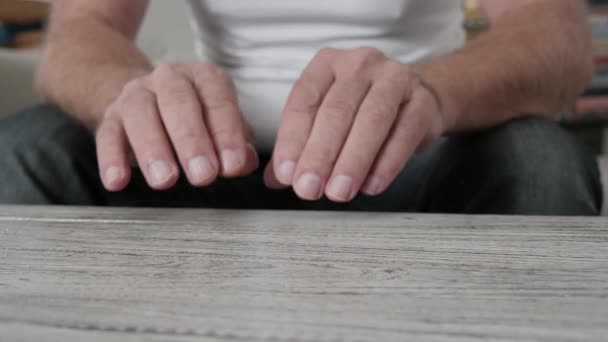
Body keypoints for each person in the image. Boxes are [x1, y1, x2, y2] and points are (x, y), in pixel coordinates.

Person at [0, 0, 602, 215]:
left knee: (540, 162)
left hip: (416, 159)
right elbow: (84, 28)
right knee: (27, 148)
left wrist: (430, 92)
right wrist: (127, 95)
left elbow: (553, 33)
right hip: (208, 165)